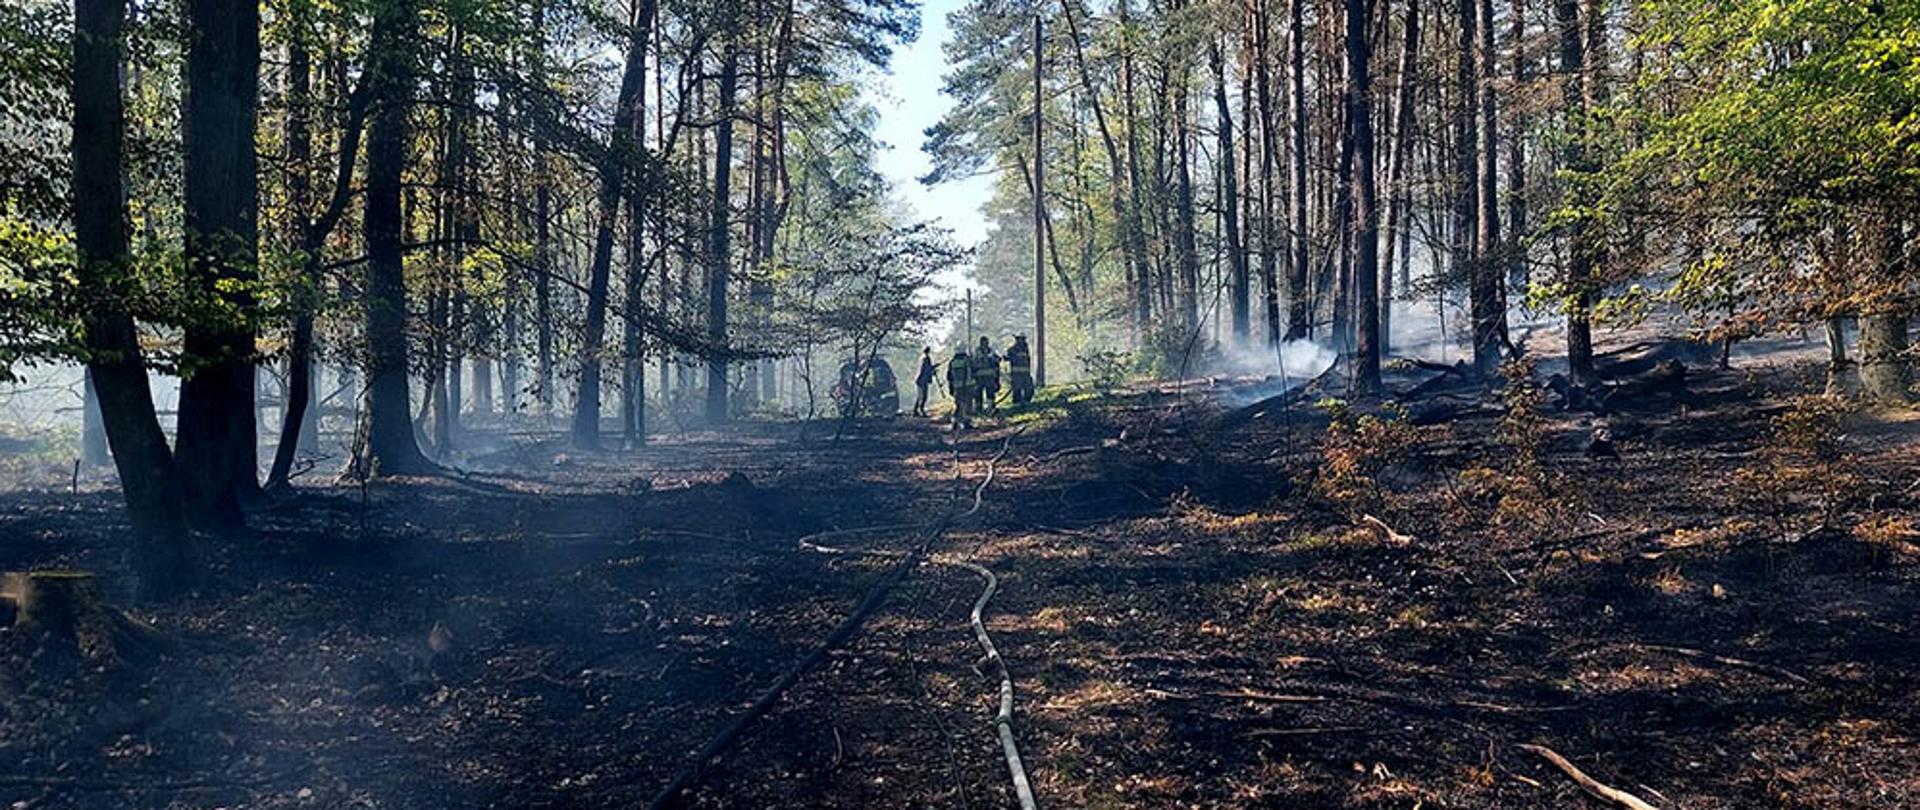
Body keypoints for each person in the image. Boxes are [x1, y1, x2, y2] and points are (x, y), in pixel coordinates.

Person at [946, 348, 974, 430]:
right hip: (967, 386)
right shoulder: (968, 360)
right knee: (968, 404)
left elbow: (949, 376)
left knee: (958, 404)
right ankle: (966, 422)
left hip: (957, 386)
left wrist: (951, 387)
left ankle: (955, 421)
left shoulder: (952, 362)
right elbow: (973, 370)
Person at [973, 336, 1001, 413]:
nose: (985, 344)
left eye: (986, 342)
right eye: (983, 343)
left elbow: (998, 360)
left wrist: (997, 378)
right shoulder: (976, 352)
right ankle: (978, 408)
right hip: (979, 377)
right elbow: (972, 363)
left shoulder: (991, 351)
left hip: (990, 376)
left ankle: (990, 408)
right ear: (980, 343)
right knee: (978, 393)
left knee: (990, 392)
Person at [1005, 335, 1034, 405]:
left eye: (1023, 339)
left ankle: (1026, 402)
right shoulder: (1011, 349)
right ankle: (1017, 404)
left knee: (1029, 389)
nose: (1022, 341)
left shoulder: (1026, 349)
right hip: (1016, 374)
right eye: (1020, 339)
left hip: (1026, 374)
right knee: (1017, 389)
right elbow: (1009, 358)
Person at [913, 347, 936, 417]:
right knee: (923, 396)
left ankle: (916, 410)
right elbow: (924, 369)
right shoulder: (926, 358)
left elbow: (926, 368)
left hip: (920, 379)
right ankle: (921, 410)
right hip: (922, 380)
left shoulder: (922, 358)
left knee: (920, 396)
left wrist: (932, 368)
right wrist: (932, 369)